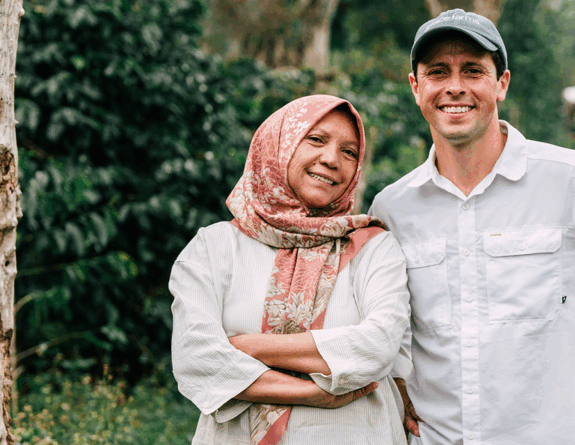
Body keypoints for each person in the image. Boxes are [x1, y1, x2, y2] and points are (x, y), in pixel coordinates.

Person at [368, 9, 575, 445]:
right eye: (438, 72)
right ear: (416, 87)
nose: (455, 86)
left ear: (502, 83)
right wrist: (397, 382)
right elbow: (389, 320)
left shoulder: (574, 181)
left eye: (473, 70)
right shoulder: (394, 206)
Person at [170, 95, 412, 445]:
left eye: (349, 152)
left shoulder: (372, 246)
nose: (331, 160)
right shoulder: (215, 246)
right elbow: (195, 358)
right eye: (315, 139)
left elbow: (378, 345)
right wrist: (311, 394)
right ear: (278, 145)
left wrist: (246, 346)